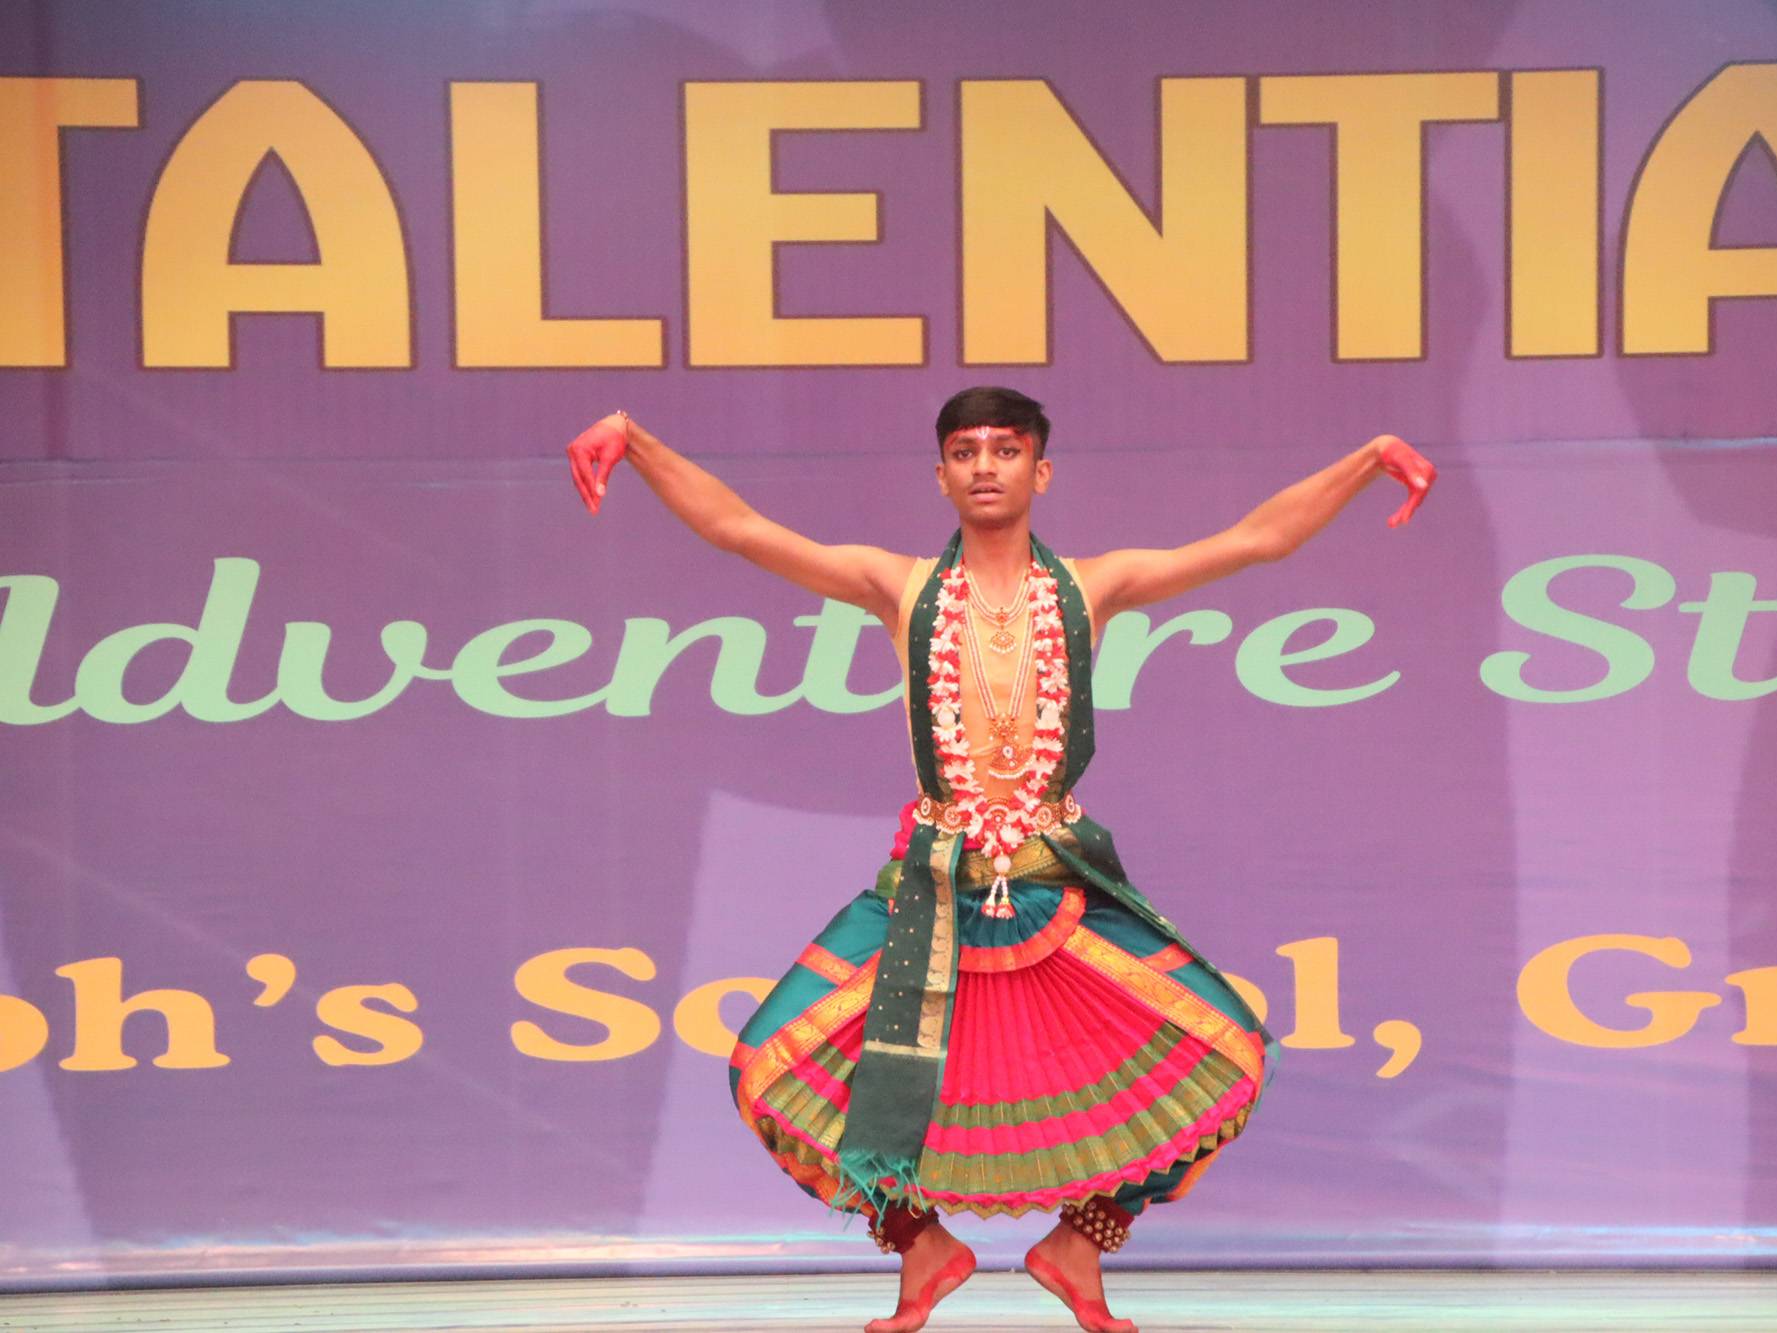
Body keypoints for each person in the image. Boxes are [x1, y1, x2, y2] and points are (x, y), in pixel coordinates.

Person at [564, 388, 1434, 1332]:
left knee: (1234, 1048)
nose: (985, 464)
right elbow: (738, 529)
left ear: (1040, 471)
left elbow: (1256, 540)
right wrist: (636, 440)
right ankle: (920, 1245)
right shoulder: (899, 587)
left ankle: (1081, 1244)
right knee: (761, 1065)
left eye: (1006, 449)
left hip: (1057, 879)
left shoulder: (1092, 587)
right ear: (940, 475)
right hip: (933, 885)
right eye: (966, 450)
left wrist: (1369, 455)